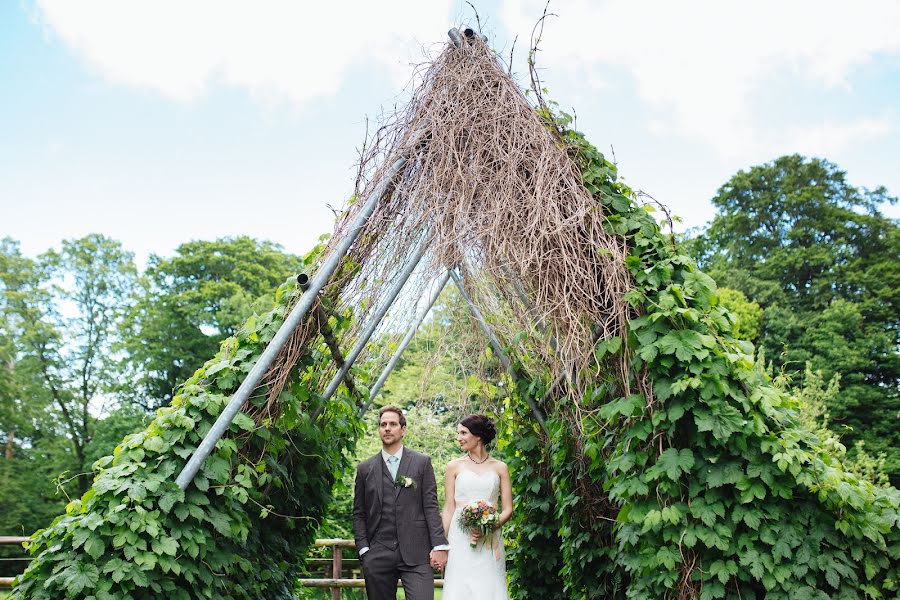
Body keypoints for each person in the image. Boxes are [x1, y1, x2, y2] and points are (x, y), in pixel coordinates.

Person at [352, 405, 449, 600]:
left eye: (393, 424)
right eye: (383, 424)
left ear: (403, 429)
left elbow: (431, 506)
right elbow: (359, 513)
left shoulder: (422, 462)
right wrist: (364, 550)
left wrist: (439, 545)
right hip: (377, 554)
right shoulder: (365, 469)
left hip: (417, 552)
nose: (387, 428)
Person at [441, 414, 512, 599]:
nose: (459, 438)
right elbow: (449, 507)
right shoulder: (453, 466)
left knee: (489, 585)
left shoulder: (500, 467)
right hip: (460, 537)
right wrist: (441, 543)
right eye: (458, 433)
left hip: (490, 538)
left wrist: (491, 525)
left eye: (463, 433)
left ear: (478, 435)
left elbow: (508, 509)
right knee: (460, 586)